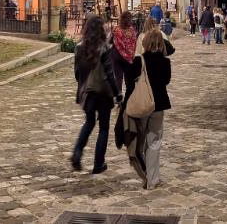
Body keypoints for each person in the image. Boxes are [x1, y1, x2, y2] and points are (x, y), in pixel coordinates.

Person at [72, 14, 122, 173]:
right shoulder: (105, 49)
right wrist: (118, 94)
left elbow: (77, 73)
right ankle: (98, 163)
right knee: (104, 128)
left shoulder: (79, 47)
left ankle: (77, 153)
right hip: (103, 93)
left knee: (89, 122)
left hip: (87, 92)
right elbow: (110, 74)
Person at [124, 28, 172, 190]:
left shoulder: (139, 60)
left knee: (141, 143)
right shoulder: (165, 62)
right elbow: (166, 81)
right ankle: (153, 179)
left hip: (142, 105)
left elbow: (130, 82)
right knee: (154, 142)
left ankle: (146, 176)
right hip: (158, 105)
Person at [110, 10, 138, 93]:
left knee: (118, 77)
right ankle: (129, 96)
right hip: (128, 57)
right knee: (128, 77)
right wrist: (131, 54)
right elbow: (134, 43)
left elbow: (111, 41)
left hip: (116, 55)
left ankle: (119, 95)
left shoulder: (116, 29)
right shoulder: (132, 31)